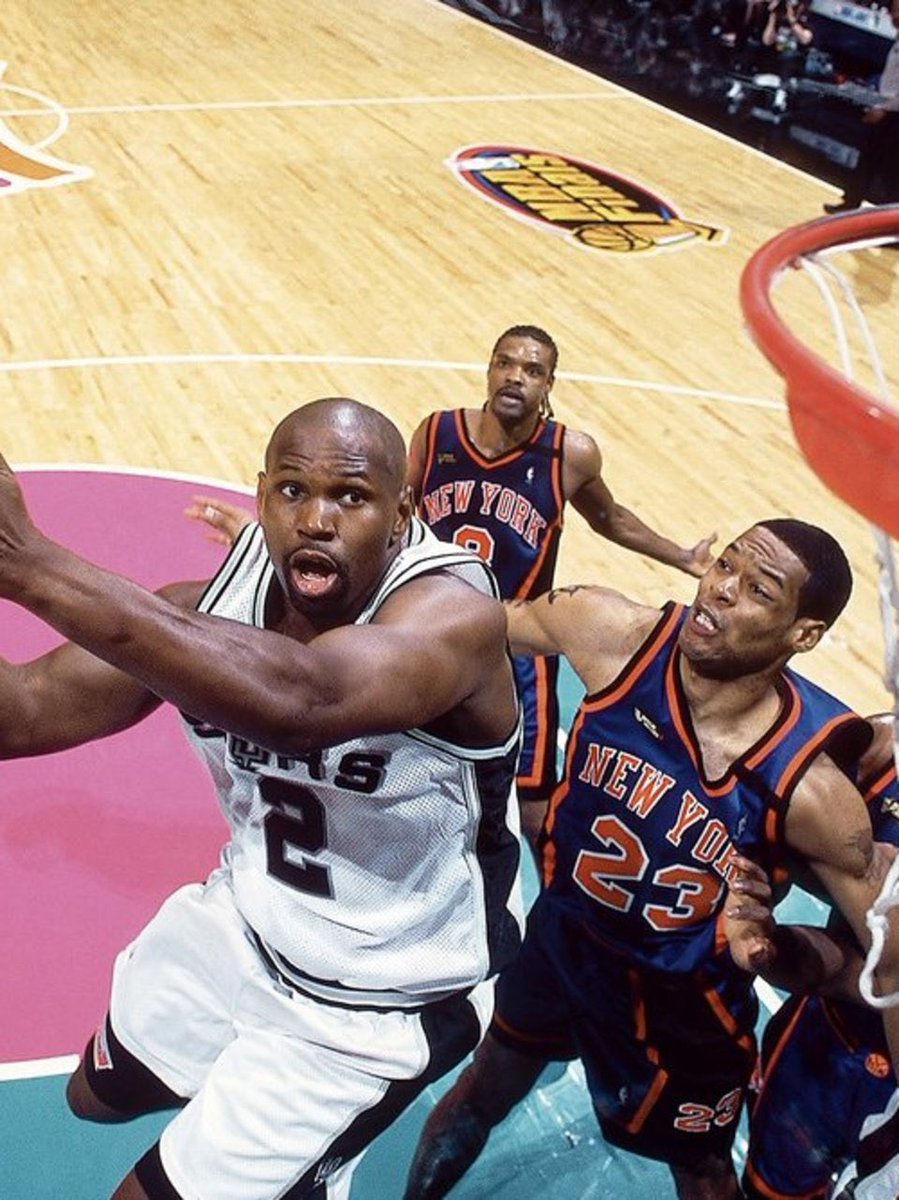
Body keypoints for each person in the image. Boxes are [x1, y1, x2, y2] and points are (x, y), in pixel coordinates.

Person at [0, 397, 526, 1200]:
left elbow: (302, 704)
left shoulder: (452, 618)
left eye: (350, 497)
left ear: (401, 513)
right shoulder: (211, 607)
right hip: (245, 925)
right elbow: (27, 709)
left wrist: (28, 563)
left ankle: (294, 1168)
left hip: (380, 1002)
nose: (315, 519)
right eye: (291, 491)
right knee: (96, 1097)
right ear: (261, 494)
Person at [402, 519, 899, 1200]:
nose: (720, 591)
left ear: (802, 635)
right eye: (725, 565)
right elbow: (470, 621)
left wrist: (777, 950)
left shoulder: (813, 792)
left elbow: (885, 963)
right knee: (483, 1086)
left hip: (681, 1003)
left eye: (757, 589)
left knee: (700, 1170)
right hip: (564, 940)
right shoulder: (608, 630)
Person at [188, 328, 716, 854]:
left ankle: (529, 907)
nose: (515, 377)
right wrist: (269, 536)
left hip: (516, 645)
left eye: (532, 371)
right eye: (505, 363)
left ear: (550, 384)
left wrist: (680, 556)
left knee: (532, 802)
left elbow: (611, 519)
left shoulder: (569, 454)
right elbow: (381, 511)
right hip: (420, 629)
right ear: (488, 369)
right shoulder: (437, 434)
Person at [743, 712, 899, 1199]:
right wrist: (765, 942)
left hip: (859, 1030)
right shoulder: (879, 753)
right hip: (833, 1038)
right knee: (773, 1190)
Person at [823, 0, 899, 212]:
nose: (893, 15)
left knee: (891, 172)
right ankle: (850, 204)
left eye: (898, 10)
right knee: (867, 160)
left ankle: (893, 226)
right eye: (892, 10)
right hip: (886, 106)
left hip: (894, 114)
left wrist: (884, 108)